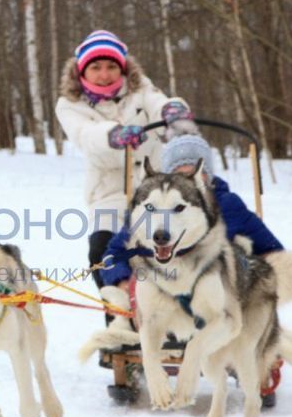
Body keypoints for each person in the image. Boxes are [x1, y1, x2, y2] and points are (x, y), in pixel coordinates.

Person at [55, 30, 196, 291]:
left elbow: (158, 102)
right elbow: (84, 134)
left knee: (166, 252)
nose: (104, 74)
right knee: (102, 253)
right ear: (81, 71)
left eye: (111, 66)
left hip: (155, 189)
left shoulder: (139, 88)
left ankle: (171, 314)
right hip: (109, 195)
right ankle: (119, 313)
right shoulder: (69, 104)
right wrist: (113, 134)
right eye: (95, 67)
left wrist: (171, 109)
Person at [100, 132, 284, 291]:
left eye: (196, 173)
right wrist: (122, 280)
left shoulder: (228, 205)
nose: (188, 180)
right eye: (180, 174)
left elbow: (273, 253)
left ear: (207, 175)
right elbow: (113, 255)